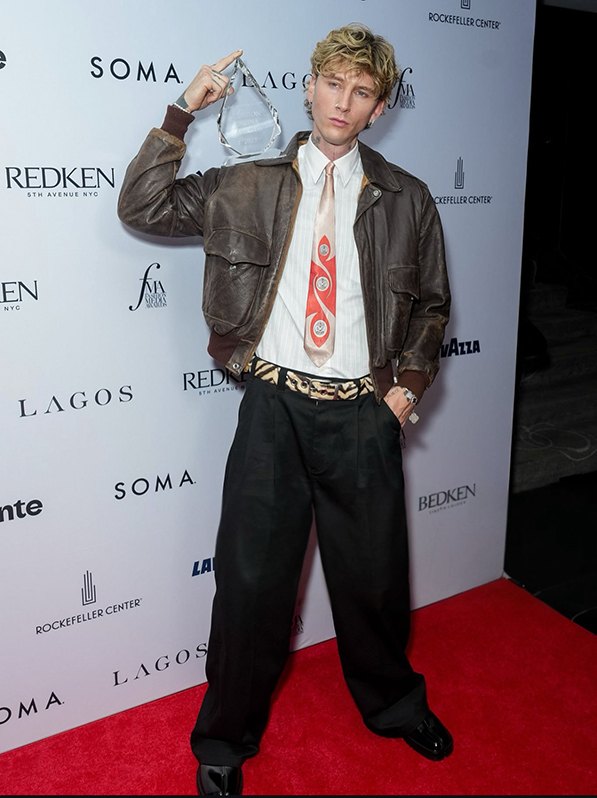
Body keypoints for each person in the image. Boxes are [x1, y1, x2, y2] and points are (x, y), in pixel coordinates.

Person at [118, 23, 452, 797]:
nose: (343, 101)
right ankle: (224, 741)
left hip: (360, 416)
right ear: (308, 86)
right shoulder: (246, 182)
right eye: (332, 82)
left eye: (361, 91)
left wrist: (404, 388)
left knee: (372, 582)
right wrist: (181, 111)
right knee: (249, 585)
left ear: (377, 109)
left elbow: (432, 305)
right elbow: (142, 207)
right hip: (273, 408)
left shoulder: (408, 197)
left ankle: (396, 707)